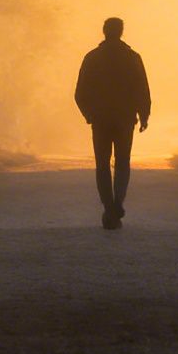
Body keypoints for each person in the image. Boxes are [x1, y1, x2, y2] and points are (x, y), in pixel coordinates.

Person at [73, 17, 151, 230]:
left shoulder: (92, 58)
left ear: (104, 31)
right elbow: (142, 90)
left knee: (102, 164)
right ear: (121, 32)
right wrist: (144, 115)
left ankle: (109, 207)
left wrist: (89, 114)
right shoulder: (132, 58)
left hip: (100, 120)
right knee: (123, 162)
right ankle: (118, 203)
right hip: (125, 119)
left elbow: (80, 93)